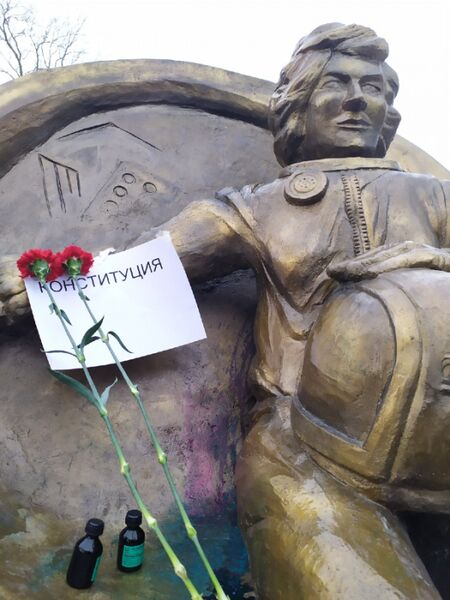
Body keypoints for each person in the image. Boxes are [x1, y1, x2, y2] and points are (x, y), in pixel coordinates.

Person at [2, 22, 450, 599]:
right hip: (309, 452)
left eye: (373, 87)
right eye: (335, 84)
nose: (357, 99)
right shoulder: (256, 209)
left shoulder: (436, 197)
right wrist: (36, 281)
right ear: (297, 108)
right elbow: (139, 269)